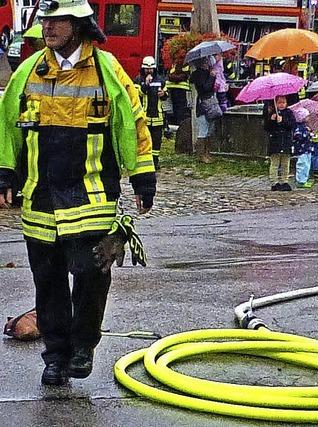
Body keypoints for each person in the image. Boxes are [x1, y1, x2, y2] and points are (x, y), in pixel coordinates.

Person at [0, 0, 156, 386]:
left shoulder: (107, 71)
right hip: (41, 199)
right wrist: (4, 173)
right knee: (47, 280)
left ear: (79, 24)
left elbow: (131, 124)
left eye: (57, 20)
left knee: (90, 272)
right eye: (45, 21)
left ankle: (83, 344)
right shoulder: (29, 71)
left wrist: (143, 176)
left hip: (92, 196)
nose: (48, 28)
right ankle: (55, 356)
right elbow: (7, 125)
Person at [134, 56, 168, 170]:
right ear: (143, 68)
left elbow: (166, 95)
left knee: (157, 140)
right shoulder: (138, 80)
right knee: (143, 139)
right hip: (144, 116)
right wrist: (146, 85)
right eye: (147, 69)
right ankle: (145, 159)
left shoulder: (161, 80)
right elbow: (138, 95)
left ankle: (155, 161)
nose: (149, 71)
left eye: (151, 69)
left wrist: (164, 94)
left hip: (157, 116)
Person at [189, 56, 219, 163]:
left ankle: (207, 153)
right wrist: (211, 77)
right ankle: (201, 155)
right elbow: (206, 88)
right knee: (203, 130)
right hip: (203, 105)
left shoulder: (205, 73)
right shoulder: (199, 74)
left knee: (209, 130)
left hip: (208, 104)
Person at [264, 95, 295, 191]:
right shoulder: (272, 113)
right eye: (279, 103)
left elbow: (292, 125)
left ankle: (284, 181)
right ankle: (274, 182)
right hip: (275, 142)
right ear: (276, 104)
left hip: (286, 141)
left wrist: (283, 121)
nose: (281, 105)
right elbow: (267, 128)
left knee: (286, 163)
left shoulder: (289, 113)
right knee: (275, 163)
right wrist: (271, 121)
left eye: (283, 103)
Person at [292, 108, 314, 188]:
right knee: (302, 164)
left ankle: (305, 178)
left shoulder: (304, 126)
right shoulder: (299, 127)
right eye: (307, 116)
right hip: (302, 149)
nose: (308, 118)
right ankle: (301, 181)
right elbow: (299, 136)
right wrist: (308, 134)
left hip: (307, 148)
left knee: (307, 164)